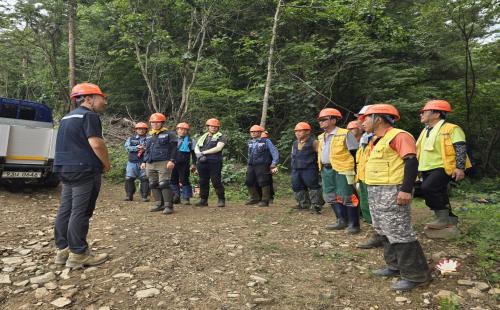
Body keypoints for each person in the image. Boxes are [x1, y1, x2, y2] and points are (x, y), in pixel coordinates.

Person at [360, 103, 430, 291]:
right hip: (376, 190)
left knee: (399, 231)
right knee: (383, 229)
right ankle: (394, 266)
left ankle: (417, 276)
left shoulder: (399, 136)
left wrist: (406, 189)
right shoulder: (376, 139)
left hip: (392, 189)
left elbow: (411, 161)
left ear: (379, 118)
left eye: (366, 117)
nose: (362, 121)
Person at [53, 82, 110, 268]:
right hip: (83, 169)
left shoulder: (66, 117)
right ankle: (78, 254)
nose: (104, 102)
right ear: (88, 99)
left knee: (66, 209)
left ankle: (63, 250)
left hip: (64, 168)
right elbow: (96, 144)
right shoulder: (89, 116)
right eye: (101, 98)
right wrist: (106, 164)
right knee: (81, 211)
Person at [416, 100, 471, 239]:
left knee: (428, 188)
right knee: (440, 191)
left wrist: (460, 167)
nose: (421, 114)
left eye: (424, 112)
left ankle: (442, 218)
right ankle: (450, 218)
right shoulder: (426, 130)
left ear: (436, 114)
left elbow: (460, 147)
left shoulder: (452, 128)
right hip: (426, 167)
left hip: (443, 166)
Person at [317, 108, 360, 234]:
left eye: (324, 119)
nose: (321, 122)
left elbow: (354, 153)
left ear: (334, 120)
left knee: (347, 195)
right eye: (320, 120)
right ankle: (341, 220)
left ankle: (354, 224)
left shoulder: (345, 133)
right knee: (330, 195)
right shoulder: (320, 137)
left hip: (343, 169)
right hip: (326, 168)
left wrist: (355, 170)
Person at [354, 106, 383, 249]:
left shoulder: (391, 137)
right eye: (360, 118)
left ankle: (381, 234)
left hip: (382, 181)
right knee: (367, 203)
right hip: (365, 175)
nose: (361, 121)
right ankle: (375, 231)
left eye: (364, 118)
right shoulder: (368, 137)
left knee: (378, 209)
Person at [141, 113, 177, 215]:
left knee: (164, 183)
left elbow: (175, 148)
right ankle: (158, 204)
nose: (155, 124)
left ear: (162, 123)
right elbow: (147, 150)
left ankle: (168, 206)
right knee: (152, 183)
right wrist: (144, 161)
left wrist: (172, 160)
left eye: (157, 122)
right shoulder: (149, 135)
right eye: (153, 122)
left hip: (164, 162)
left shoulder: (169, 134)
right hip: (150, 162)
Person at [291, 122, 323, 213]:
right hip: (296, 168)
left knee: (313, 186)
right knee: (297, 186)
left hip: (310, 168)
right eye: (296, 131)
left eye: (300, 131)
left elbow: (320, 155)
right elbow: (293, 155)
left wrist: (320, 167)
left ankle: (316, 205)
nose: (297, 133)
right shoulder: (294, 143)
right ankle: (303, 204)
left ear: (307, 132)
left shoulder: (314, 142)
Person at [194, 118, 227, 207]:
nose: (213, 128)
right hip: (202, 162)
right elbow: (197, 146)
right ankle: (203, 200)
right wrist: (198, 154)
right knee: (203, 181)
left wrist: (204, 152)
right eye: (211, 126)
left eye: (215, 127)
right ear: (208, 127)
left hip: (215, 162)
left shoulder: (221, 136)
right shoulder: (203, 136)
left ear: (218, 128)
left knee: (216, 181)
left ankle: (221, 199)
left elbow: (218, 148)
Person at [245, 125, 279, 207]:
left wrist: (274, 163)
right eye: (251, 132)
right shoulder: (250, 142)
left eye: (255, 132)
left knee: (264, 181)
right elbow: (249, 154)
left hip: (263, 164)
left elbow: (274, 151)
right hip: (251, 165)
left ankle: (265, 200)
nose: (253, 133)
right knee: (249, 181)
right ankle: (254, 198)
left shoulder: (266, 141)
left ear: (260, 132)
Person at [171, 122, 197, 205]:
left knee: (184, 180)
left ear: (187, 131)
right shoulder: (172, 139)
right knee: (173, 180)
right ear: (177, 130)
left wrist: (193, 164)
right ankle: (176, 197)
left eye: (185, 130)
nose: (182, 131)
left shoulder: (191, 140)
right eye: (181, 129)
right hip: (173, 163)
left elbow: (194, 153)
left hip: (184, 164)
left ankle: (186, 198)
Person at [124, 122, 150, 202]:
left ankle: (144, 196)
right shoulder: (131, 138)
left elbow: (153, 149)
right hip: (132, 161)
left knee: (145, 179)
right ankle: (129, 195)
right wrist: (136, 148)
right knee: (129, 178)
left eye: (143, 129)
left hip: (145, 161)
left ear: (146, 130)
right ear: (136, 130)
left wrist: (145, 148)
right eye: (139, 129)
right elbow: (127, 147)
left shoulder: (150, 138)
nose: (141, 130)